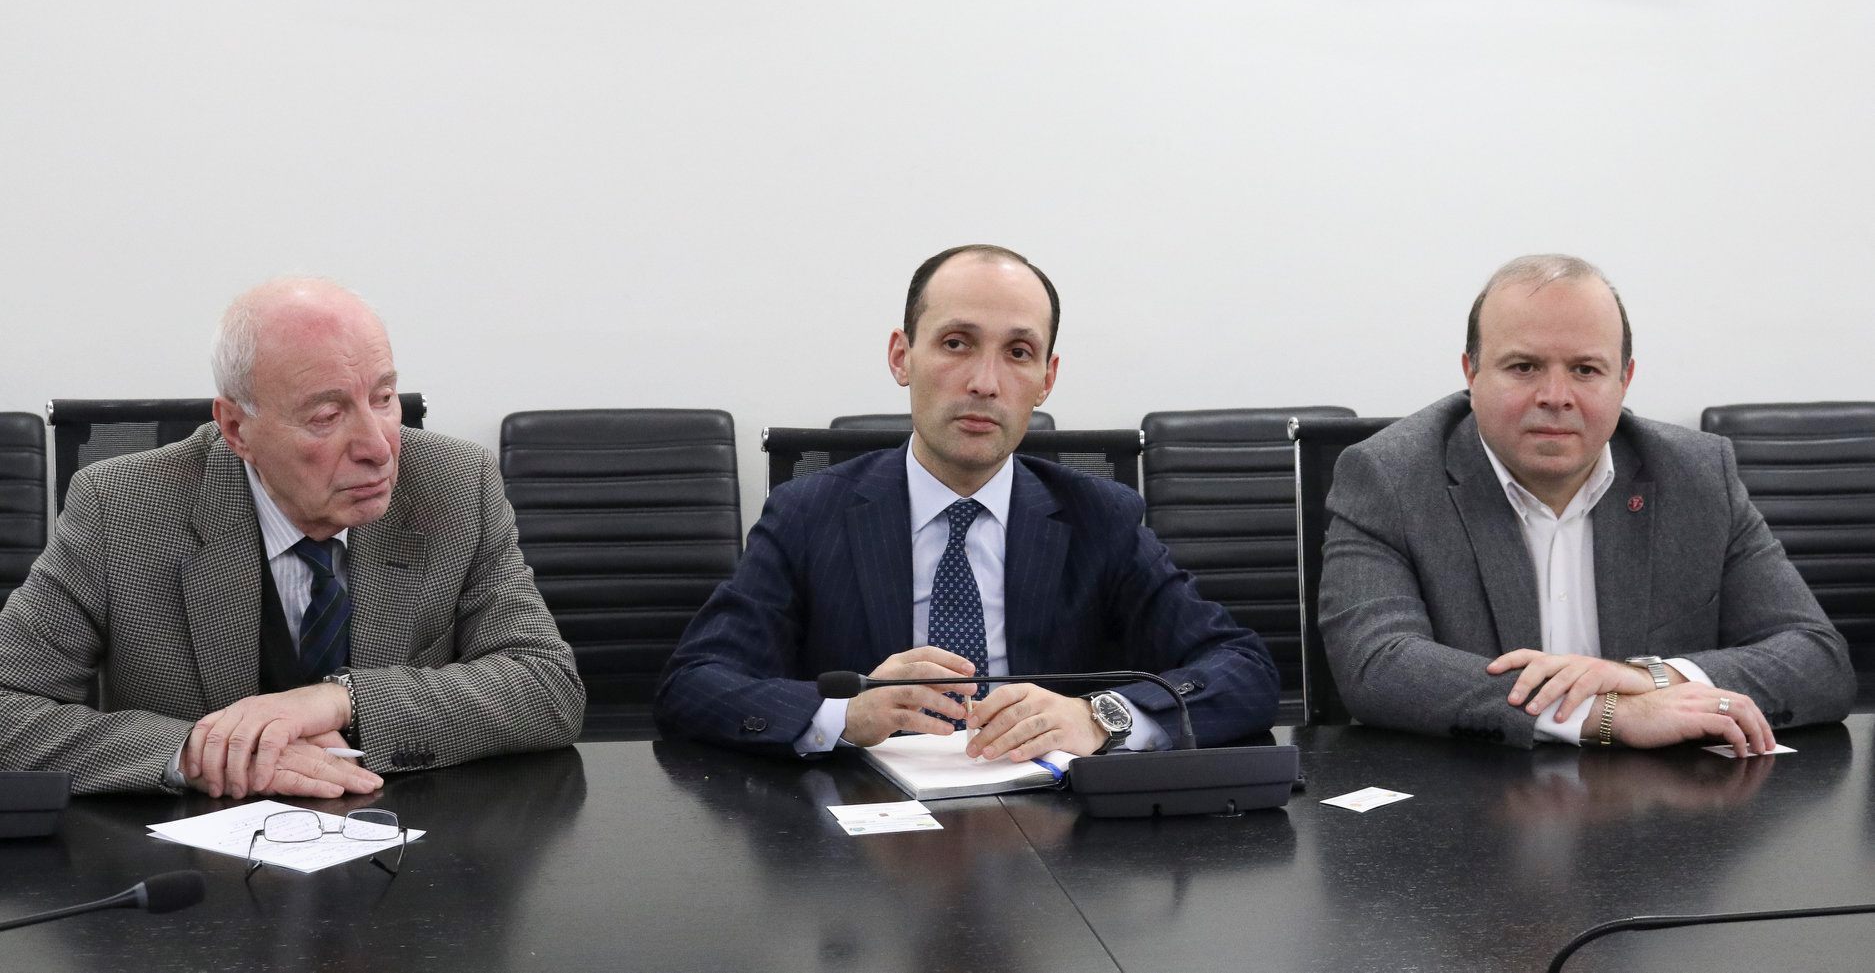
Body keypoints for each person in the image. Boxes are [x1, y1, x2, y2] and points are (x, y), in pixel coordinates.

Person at [656, 244, 1279, 761]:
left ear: (1046, 379)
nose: (985, 382)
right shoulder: (807, 513)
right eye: (956, 343)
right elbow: (694, 683)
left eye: (1018, 353)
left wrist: (1101, 718)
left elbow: (1244, 669)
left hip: (1056, 828)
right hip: (863, 828)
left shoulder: (1101, 517)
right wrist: (845, 715)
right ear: (902, 357)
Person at [0, 278, 584, 796]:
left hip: (405, 841)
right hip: (197, 859)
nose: (378, 447)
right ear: (236, 428)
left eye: (383, 398)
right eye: (326, 416)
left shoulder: (454, 484)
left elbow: (547, 684)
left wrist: (340, 699)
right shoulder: (122, 507)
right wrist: (199, 752)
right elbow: (8, 706)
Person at [1320, 254, 1852, 752]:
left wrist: (1649, 677)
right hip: (1471, 796)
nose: (1556, 396)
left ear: (1625, 380)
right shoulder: (1389, 477)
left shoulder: (1696, 476)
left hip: (1664, 806)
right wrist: (1608, 714)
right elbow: (1377, 665)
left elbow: (1818, 660)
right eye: (1523, 367)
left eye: (1585, 370)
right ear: (1471, 374)